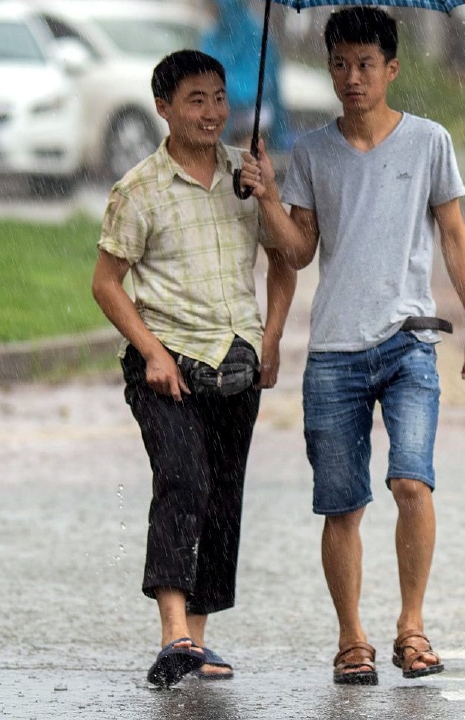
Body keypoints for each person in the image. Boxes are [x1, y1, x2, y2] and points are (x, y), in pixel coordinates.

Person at [239, 6, 465, 685]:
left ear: (392, 69)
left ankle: (412, 627)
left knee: (412, 480)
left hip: (410, 341)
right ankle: (352, 637)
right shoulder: (314, 153)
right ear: (329, 69)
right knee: (341, 502)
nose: (353, 78)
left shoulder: (429, 141)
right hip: (334, 352)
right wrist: (266, 196)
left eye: (366, 65)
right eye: (341, 65)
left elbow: (454, 235)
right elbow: (297, 250)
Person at [91, 50, 297, 688]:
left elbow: (291, 257)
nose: (211, 112)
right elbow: (106, 284)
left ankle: (197, 642)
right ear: (163, 107)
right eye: (195, 100)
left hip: (236, 361)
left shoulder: (248, 175)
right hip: (168, 363)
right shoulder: (138, 190)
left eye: (218, 98)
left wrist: (272, 336)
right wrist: (151, 351)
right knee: (182, 477)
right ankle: (173, 630)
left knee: (223, 498)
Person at [200, 0, 288, 151]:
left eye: (218, 8)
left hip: (251, 119)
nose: (214, 13)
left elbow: (260, 84)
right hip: (221, 116)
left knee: (246, 163)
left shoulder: (255, 35)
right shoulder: (212, 36)